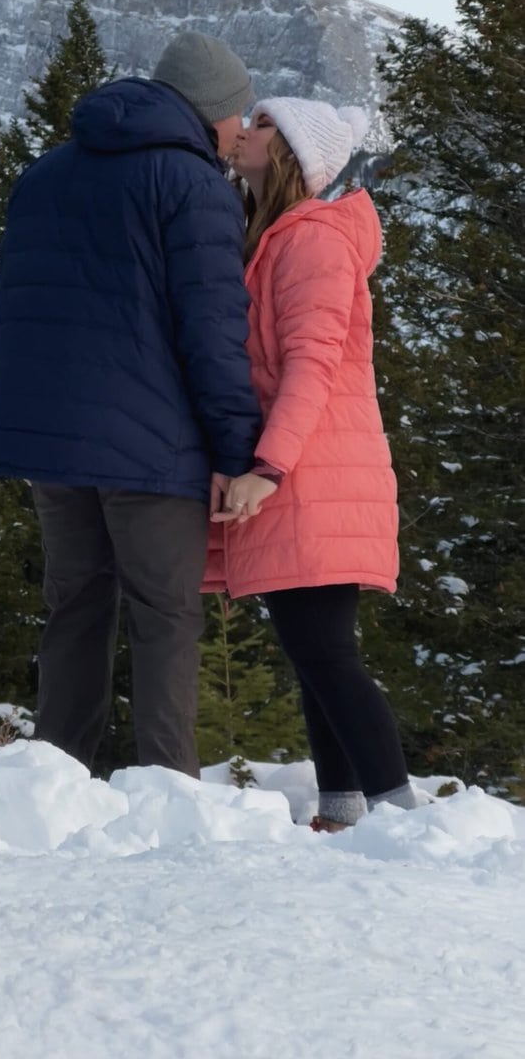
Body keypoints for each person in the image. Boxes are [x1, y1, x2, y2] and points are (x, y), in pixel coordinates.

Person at [0, 31, 263, 777]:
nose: (243, 131)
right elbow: (211, 332)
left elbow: (3, 306)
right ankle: (168, 788)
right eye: (240, 114)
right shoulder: (194, 186)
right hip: (151, 445)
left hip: (51, 440)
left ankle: (57, 777)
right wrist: (238, 451)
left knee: (76, 605)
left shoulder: (43, 175)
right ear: (211, 111)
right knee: (164, 616)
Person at [206, 96, 418, 830]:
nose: (246, 131)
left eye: (262, 124)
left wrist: (269, 467)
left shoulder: (313, 241)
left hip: (313, 473)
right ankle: (343, 808)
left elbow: (313, 363)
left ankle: (400, 816)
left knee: (325, 651)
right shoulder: (272, 237)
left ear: (292, 151)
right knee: (316, 650)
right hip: (306, 470)